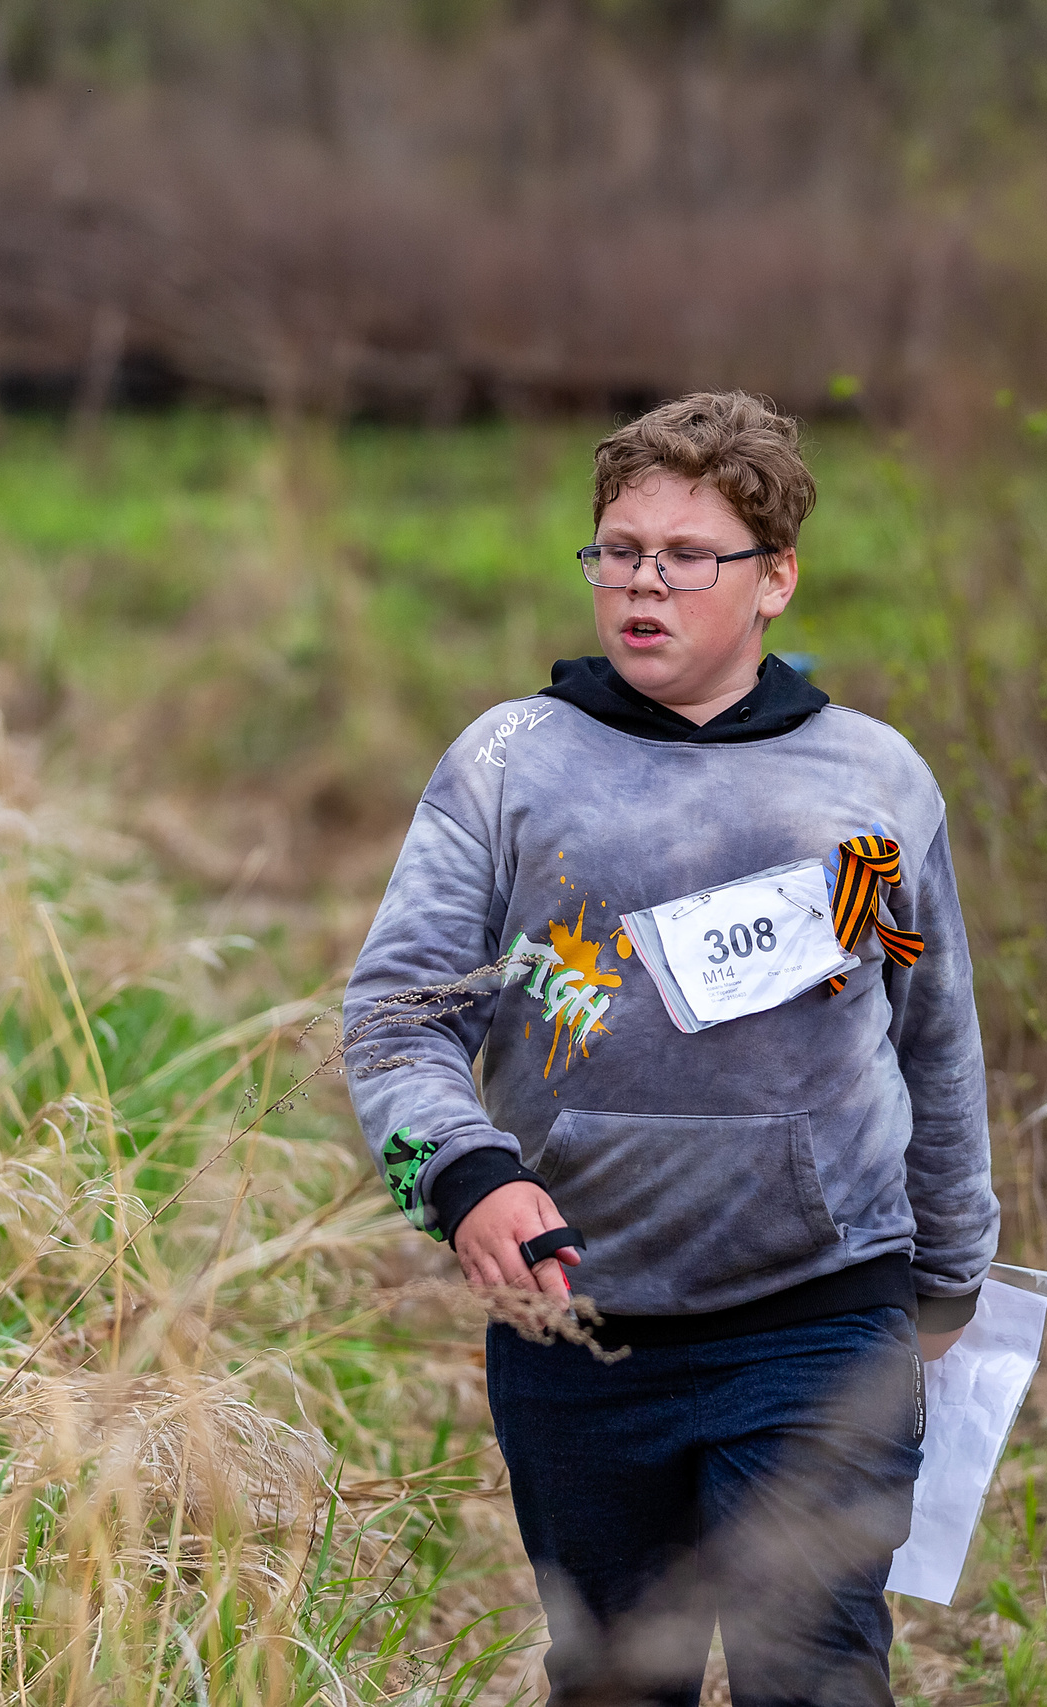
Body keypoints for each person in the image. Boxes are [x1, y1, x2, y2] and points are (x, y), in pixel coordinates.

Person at [343, 391, 997, 1707]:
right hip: (580, 1334)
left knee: (811, 1678)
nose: (644, 583)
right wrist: (462, 1177)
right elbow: (399, 1015)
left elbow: (929, 1034)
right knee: (613, 1684)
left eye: (688, 557)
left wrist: (950, 1271)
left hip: (822, 1317)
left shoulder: (870, 783)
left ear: (775, 582)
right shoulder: (509, 769)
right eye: (619, 552)